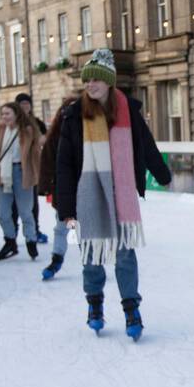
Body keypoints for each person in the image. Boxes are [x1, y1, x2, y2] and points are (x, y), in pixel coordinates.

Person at [54, 48, 172, 341]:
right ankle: (95, 305)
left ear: (109, 82)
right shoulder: (73, 116)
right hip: (87, 196)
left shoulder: (127, 111)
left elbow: (145, 145)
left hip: (121, 194)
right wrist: (65, 206)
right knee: (91, 256)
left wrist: (162, 174)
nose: (90, 84)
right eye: (87, 80)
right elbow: (64, 164)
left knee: (124, 256)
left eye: (96, 79)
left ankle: (132, 308)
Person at [0, 103, 43, 261]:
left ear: (16, 114)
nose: (4, 117)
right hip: (4, 174)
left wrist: (39, 173)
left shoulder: (28, 130)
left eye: (7, 113)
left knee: (25, 212)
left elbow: (36, 153)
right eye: (3, 114)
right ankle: (10, 241)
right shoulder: (0, 130)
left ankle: (31, 241)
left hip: (23, 173)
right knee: (2, 212)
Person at [37, 96, 76, 281]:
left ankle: (92, 262)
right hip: (63, 191)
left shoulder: (86, 134)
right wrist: (45, 186)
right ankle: (56, 259)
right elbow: (46, 162)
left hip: (85, 190)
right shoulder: (55, 137)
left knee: (85, 229)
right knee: (62, 227)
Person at [15, 93, 49, 245]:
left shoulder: (37, 122)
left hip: (33, 166)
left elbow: (46, 138)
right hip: (15, 166)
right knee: (14, 202)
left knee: (32, 202)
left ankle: (35, 230)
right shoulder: (12, 122)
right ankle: (12, 232)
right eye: (22, 104)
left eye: (27, 104)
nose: (25, 106)